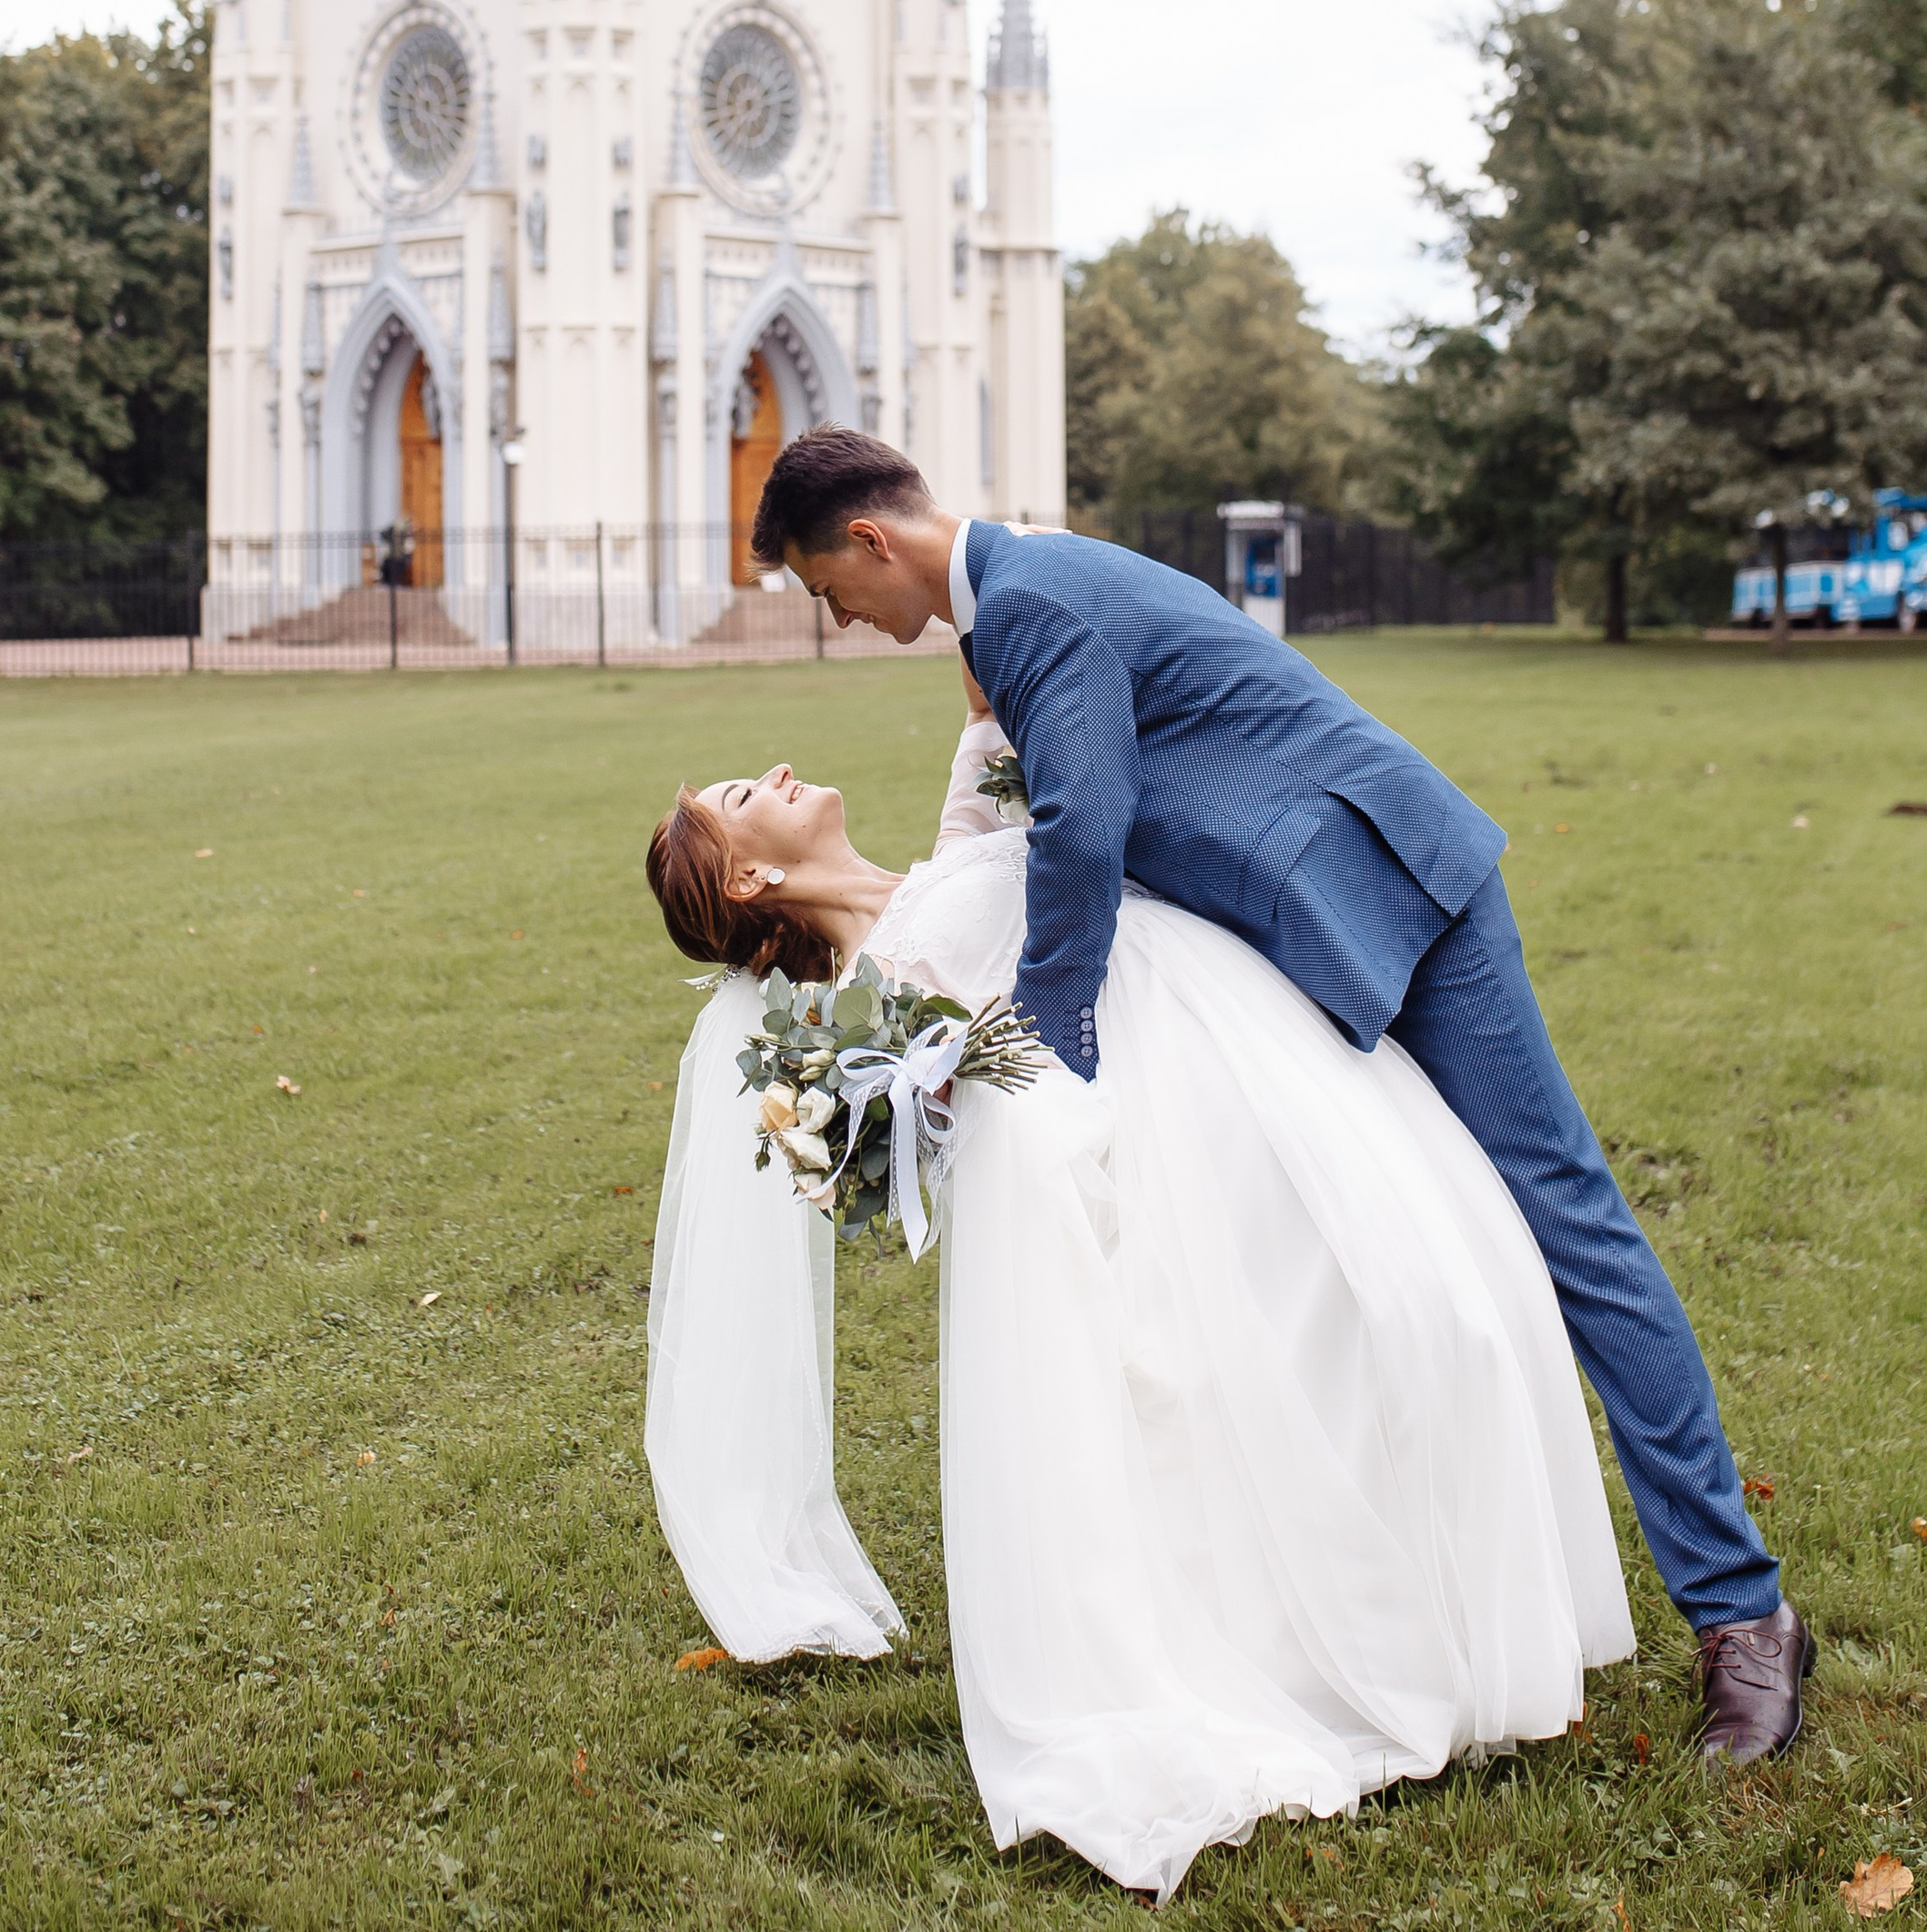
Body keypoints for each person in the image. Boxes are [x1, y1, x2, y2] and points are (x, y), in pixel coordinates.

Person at [742, 428, 1811, 1770]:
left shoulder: (1026, 606)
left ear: (872, 542)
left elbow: (1085, 826)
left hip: (1394, 887)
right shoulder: (1009, 602)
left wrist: (1051, 1053)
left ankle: (1745, 1620)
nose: (847, 624)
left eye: (833, 595)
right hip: (1302, 927)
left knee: (1568, 1228)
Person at [641, 701, 1635, 1898]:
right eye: (750, 792)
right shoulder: (886, 997)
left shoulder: (940, 866)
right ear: (750, 874)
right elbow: (945, 1140)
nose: (782, 764)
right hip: (1172, 1135)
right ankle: (1371, 1641)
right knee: (1345, 1338)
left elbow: (991, 726)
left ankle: (1449, 1611)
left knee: (1425, 1301)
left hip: (1246, 1063)